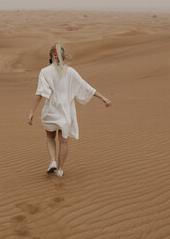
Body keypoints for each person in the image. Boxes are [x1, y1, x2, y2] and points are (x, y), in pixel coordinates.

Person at [28, 43, 112, 177]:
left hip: (51, 109)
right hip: (66, 111)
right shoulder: (70, 71)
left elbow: (40, 93)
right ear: (63, 56)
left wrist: (32, 111)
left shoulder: (44, 71)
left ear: (50, 56)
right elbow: (85, 86)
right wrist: (103, 98)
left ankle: (53, 161)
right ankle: (60, 169)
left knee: (50, 137)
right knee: (63, 141)